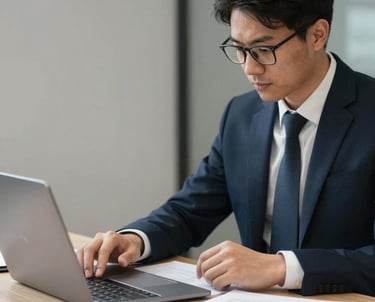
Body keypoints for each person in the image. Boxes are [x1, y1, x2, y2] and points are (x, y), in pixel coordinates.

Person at [77, 0, 375, 296]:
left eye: (263, 50)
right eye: (240, 49)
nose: (249, 67)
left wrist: (282, 268)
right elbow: (189, 211)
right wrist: (135, 240)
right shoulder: (242, 115)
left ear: (317, 35)